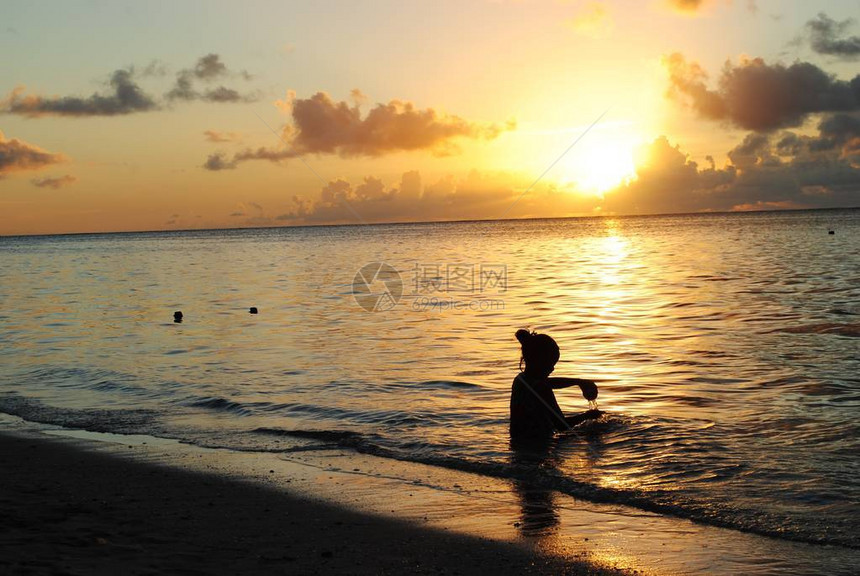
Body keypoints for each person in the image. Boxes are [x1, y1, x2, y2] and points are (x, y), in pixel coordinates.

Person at [510, 329, 601, 439]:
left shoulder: (521, 380)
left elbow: (549, 383)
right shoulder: (541, 387)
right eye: (550, 364)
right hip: (539, 448)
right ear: (539, 361)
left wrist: (578, 382)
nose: (552, 368)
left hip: (518, 444)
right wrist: (589, 415)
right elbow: (562, 425)